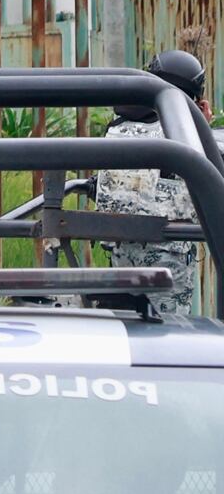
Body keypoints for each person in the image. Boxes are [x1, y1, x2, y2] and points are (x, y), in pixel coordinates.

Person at [98, 48, 210, 319]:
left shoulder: (116, 127)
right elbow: (206, 175)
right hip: (170, 253)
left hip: (120, 251)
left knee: (126, 326)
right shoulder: (183, 131)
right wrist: (202, 126)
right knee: (170, 331)